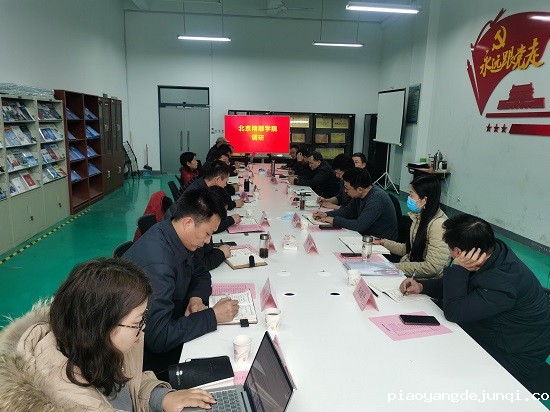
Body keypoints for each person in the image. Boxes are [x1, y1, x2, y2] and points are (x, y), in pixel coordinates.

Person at [0, 258, 217, 411]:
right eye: (137, 323)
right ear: (99, 327)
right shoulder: (70, 402)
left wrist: (160, 398)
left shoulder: (98, 346)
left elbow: (128, 384)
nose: (143, 329)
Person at [401, 214, 550, 391]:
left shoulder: (502, 284)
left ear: (458, 252)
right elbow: (460, 286)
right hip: (499, 333)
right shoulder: (489, 253)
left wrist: (458, 268)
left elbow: (454, 312)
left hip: (516, 356)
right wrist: (422, 286)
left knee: (441, 367)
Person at [123, 188, 239, 379]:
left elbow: (200, 272)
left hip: (173, 321)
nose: (208, 241)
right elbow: (158, 337)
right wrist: (213, 316)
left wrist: (196, 298)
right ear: (188, 223)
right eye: (207, 233)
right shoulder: (158, 264)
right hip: (147, 361)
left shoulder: (177, 235)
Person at [374, 175, 450, 278]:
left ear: (424, 200)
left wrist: (394, 267)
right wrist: (383, 242)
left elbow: (432, 267)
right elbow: (409, 250)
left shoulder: (438, 225)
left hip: (425, 280)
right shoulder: (420, 216)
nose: (408, 198)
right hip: (412, 271)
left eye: (411, 195)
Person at [314, 168, 397, 239]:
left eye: (347, 188)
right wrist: (326, 214)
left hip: (379, 242)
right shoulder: (360, 194)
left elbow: (359, 225)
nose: (345, 191)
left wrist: (334, 220)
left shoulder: (377, 198)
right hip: (366, 236)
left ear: (359, 189)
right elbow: (348, 212)